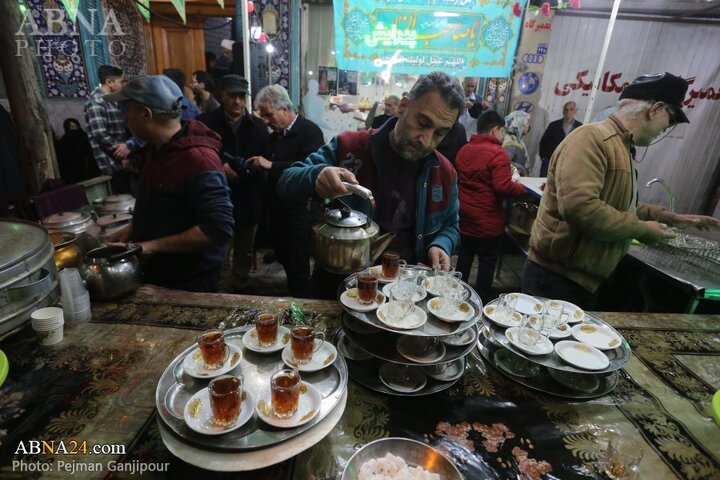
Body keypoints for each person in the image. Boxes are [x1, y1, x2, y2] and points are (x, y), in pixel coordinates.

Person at [522, 72, 720, 309]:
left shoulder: (621, 146)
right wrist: (643, 230)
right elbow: (581, 207)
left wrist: (670, 218)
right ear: (654, 109)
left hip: (579, 280)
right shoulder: (592, 139)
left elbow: (620, 206)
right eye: (670, 118)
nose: (666, 129)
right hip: (556, 279)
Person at [278, 71, 464, 297]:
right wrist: (316, 175)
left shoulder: (444, 173)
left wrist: (441, 244)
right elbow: (287, 180)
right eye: (423, 123)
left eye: (440, 133)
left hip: (405, 295)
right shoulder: (350, 147)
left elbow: (450, 226)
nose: (427, 140)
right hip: (340, 288)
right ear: (403, 107)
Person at [104, 75, 234, 292]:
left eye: (126, 109)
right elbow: (166, 208)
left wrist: (149, 246)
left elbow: (218, 229)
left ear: (146, 113)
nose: (124, 116)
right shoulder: (155, 150)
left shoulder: (197, 158)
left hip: (189, 283)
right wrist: (133, 229)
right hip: (158, 275)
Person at [246, 85, 325, 298]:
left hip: (300, 214)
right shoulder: (274, 138)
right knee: (286, 262)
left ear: (284, 108)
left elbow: (310, 169)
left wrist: (272, 165)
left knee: (298, 268)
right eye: (262, 116)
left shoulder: (310, 132)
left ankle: (301, 318)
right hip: (278, 214)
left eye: (268, 114)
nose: (265, 120)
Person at [196, 74, 271, 293]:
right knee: (217, 252)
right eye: (232, 96)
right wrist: (220, 170)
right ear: (222, 95)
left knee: (244, 252)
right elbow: (197, 158)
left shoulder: (258, 126)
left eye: (241, 96)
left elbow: (265, 164)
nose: (237, 101)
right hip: (215, 201)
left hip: (248, 200)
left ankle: (239, 291)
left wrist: (245, 173)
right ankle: (218, 294)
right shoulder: (205, 122)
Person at [455, 111, 527, 303]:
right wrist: (523, 189)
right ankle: (482, 302)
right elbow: (503, 186)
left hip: (465, 217)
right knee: (487, 262)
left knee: (464, 257)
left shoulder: (464, 150)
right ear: (495, 129)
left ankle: (455, 296)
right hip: (488, 221)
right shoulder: (498, 153)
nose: (503, 135)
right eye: (502, 131)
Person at [84, 65, 138, 192]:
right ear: (109, 82)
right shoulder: (96, 102)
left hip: (123, 161)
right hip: (111, 163)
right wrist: (122, 156)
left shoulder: (114, 100)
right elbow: (100, 134)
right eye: (120, 82)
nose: (123, 85)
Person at [538, 101, 582, 177]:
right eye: (566, 109)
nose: (568, 112)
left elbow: (581, 146)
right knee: (543, 183)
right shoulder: (554, 125)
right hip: (550, 161)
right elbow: (543, 142)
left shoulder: (580, 127)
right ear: (563, 111)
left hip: (568, 163)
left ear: (575, 111)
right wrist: (543, 156)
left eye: (571, 109)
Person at [55, 118, 99, 184]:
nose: (75, 129)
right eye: (72, 127)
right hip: (73, 174)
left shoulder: (84, 137)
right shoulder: (64, 142)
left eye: (76, 126)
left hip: (89, 169)